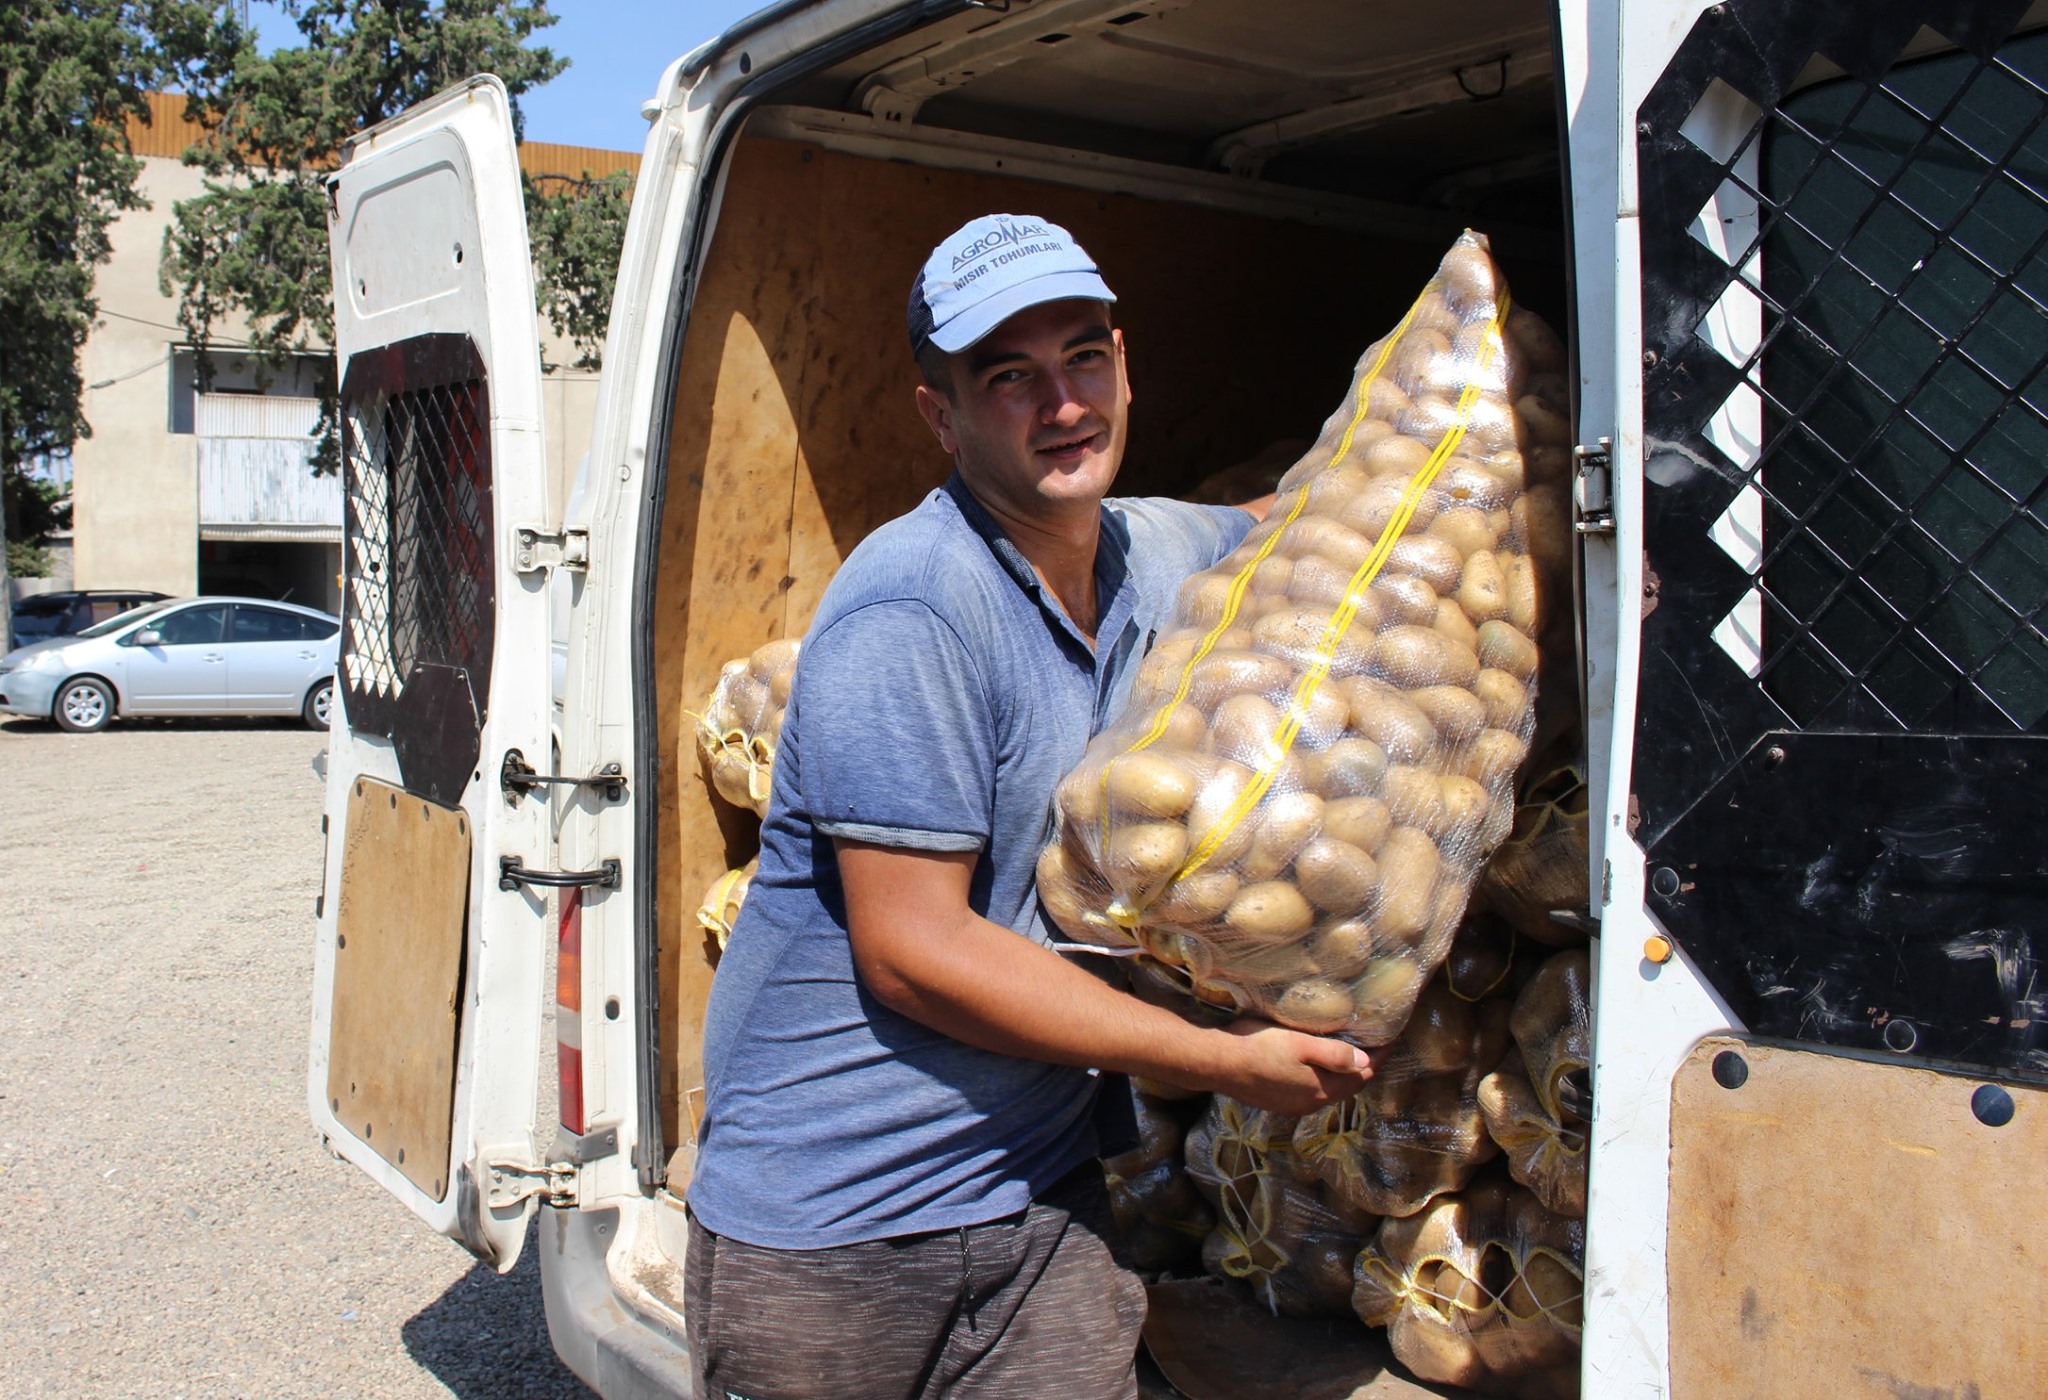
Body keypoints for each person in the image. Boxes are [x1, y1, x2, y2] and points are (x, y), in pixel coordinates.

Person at [683, 214, 1374, 1400]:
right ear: (940, 415)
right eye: (1008, 376)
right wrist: (1224, 1059)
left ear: (1124, 365)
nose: (1062, 404)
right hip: (841, 1231)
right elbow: (915, 950)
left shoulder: (1148, 550)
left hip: (1039, 1204)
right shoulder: (913, 609)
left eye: (1082, 357)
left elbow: (1294, 519)